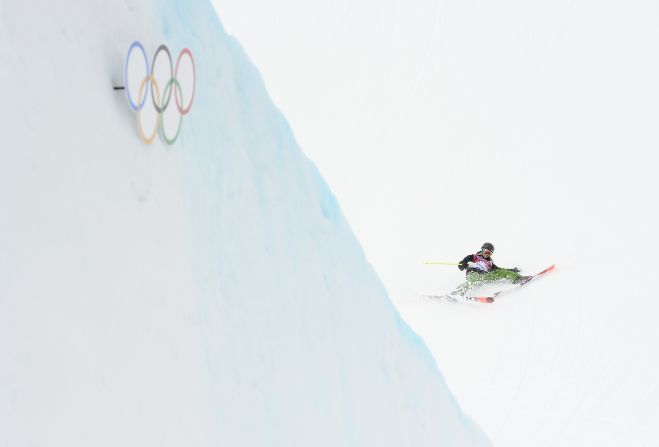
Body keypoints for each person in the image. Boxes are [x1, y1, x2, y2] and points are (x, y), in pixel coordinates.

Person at [453, 242, 529, 296]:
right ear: (482, 250)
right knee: (472, 281)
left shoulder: (490, 263)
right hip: (473, 273)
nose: (486, 255)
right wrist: (462, 263)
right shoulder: (475, 256)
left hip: (484, 275)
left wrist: (512, 270)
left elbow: (500, 270)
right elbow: (465, 260)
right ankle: (456, 293)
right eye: (485, 252)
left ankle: (518, 278)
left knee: (502, 272)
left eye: (489, 253)